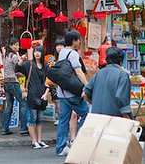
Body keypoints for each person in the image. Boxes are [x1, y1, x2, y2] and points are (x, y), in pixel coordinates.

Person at [55, 29, 89, 157]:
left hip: (62, 93)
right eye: (78, 39)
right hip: (73, 94)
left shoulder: (62, 52)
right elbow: (79, 72)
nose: (80, 42)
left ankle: (60, 148)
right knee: (87, 115)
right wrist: (87, 86)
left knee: (63, 120)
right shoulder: (73, 54)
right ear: (74, 41)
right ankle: (78, 140)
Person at [82, 47, 132, 118]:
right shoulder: (122, 75)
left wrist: (96, 104)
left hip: (96, 118)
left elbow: (84, 94)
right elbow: (122, 101)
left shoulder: (98, 74)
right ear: (121, 62)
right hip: (113, 120)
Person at [16, 45, 50, 149]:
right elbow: (17, 69)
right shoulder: (29, 64)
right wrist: (21, 60)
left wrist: (46, 93)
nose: (37, 53)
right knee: (32, 118)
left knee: (40, 119)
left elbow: (49, 82)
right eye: (35, 51)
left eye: (39, 51)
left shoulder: (45, 66)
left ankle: (40, 140)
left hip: (42, 96)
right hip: (32, 95)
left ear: (42, 53)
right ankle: (33, 141)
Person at [1, 37, 28, 136]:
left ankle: (4, 128)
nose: (17, 47)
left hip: (6, 82)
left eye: (18, 45)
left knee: (9, 105)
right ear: (10, 46)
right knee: (23, 103)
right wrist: (23, 59)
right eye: (15, 45)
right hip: (13, 82)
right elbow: (18, 66)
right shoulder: (14, 56)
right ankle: (24, 128)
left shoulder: (6, 55)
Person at [48, 37, 66, 126]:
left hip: (64, 83)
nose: (59, 48)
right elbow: (49, 69)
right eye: (57, 46)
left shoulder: (67, 57)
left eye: (61, 45)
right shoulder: (52, 58)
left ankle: (64, 118)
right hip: (54, 84)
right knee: (57, 101)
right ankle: (60, 118)